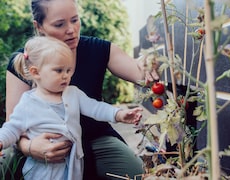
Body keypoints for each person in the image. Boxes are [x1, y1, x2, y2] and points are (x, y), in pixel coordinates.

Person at [5, 0, 159, 179]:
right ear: (39, 26)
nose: (71, 29)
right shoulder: (27, 61)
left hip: (96, 138)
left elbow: (140, 74)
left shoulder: (98, 48)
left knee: (138, 175)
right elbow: (14, 125)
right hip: (43, 141)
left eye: (75, 20)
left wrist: (147, 63)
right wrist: (30, 147)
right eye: (60, 24)